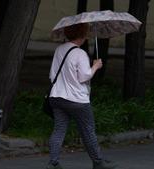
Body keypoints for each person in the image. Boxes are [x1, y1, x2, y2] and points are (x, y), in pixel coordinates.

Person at [46, 23, 117, 169]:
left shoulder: (59, 49)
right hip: (77, 100)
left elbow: (52, 75)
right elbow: (84, 77)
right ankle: (98, 163)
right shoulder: (80, 53)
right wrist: (95, 66)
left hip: (57, 97)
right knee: (88, 130)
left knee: (59, 129)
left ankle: (53, 163)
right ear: (82, 36)